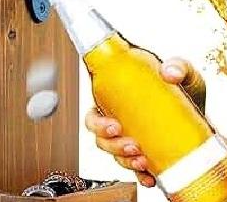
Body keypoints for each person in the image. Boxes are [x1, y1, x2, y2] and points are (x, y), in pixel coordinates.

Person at [85, 57, 206, 188]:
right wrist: (191, 108)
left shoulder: (135, 58)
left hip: (215, 173)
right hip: (190, 186)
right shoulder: (104, 77)